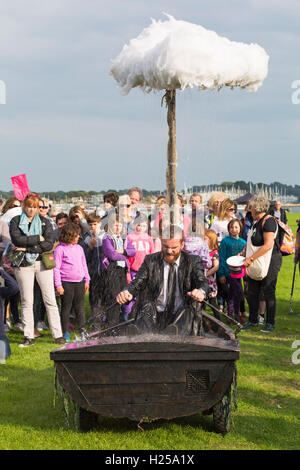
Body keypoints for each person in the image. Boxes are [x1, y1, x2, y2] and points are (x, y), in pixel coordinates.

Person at [116, 225, 209, 336]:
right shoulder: (150, 260)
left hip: (181, 317)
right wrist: (127, 292)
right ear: (161, 242)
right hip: (155, 316)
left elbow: (202, 281)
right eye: (165, 246)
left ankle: (173, 336)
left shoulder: (192, 261)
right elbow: (137, 282)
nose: (169, 251)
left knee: (187, 309)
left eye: (174, 247)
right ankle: (140, 336)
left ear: (182, 245)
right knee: (147, 306)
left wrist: (201, 291)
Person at [9, 193, 65, 347]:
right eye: (29, 207)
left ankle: (58, 335)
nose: (32, 210)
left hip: (42, 263)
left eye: (35, 207)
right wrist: (37, 239)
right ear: (24, 206)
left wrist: (28, 247)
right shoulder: (15, 221)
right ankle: (29, 336)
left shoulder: (45, 222)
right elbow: (16, 239)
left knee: (50, 300)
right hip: (23, 265)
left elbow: (48, 244)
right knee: (27, 300)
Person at [242, 195, 282, 333]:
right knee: (252, 292)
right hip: (256, 260)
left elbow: (268, 245)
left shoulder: (269, 222)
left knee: (268, 291)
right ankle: (252, 321)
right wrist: (244, 252)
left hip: (270, 261)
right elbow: (252, 241)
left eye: (251, 207)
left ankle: (270, 323)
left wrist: (251, 259)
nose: (249, 209)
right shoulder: (255, 222)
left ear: (257, 208)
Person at [54, 223, 90, 342]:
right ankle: (65, 332)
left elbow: (84, 264)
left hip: (79, 282)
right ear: (69, 236)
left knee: (79, 308)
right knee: (66, 308)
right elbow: (56, 268)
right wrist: (58, 285)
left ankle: (82, 331)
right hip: (66, 284)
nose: (78, 238)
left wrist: (87, 279)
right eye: (76, 236)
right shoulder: (59, 249)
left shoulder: (79, 248)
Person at [101, 213, 136, 327]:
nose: (118, 227)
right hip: (112, 269)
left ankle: (121, 322)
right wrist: (124, 256)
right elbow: (112, 254)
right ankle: (111, 324)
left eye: (120, 225)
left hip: (122, 270)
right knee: (113, 297)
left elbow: (132, 251)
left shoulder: (124, 238)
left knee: (123, 295)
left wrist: (124, 252)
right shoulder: (107, 238)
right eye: (115, 225)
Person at [124, 214, 154, 319]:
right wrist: (127, 272)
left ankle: (141, 318)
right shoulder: (129, 237)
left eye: (143, 226)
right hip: (133, 270)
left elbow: (152, 255)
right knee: (130, 294)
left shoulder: (149, 239)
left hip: (145, 272)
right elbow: (126, 257)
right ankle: (127, 317)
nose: (140, 228)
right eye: (138, 225)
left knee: (143, 295)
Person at [218, 219, 246, 323]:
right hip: (229, 272)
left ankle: (233, 314)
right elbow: (222, 257)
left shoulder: (243, 242)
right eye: (231, 227)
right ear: (228, 229)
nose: (233, 229)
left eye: (236, 227)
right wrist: (221, 273)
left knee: (234, 293)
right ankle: (233, 314)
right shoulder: (225, 241)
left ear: (240, 228)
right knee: (237, 292)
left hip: (240, 273)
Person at [83, 213, 105, 318]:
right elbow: (85, 258)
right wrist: (91, 247)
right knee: (94, 297)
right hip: (93, 272)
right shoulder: (87, 239)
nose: (93, 227)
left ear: (100, 224)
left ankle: (105, 319)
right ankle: (96, 320)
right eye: (90, 225)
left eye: (95, 224)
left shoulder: (105, 236)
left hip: (105, 272)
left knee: (105, 296)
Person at [0, 270, 19, 361]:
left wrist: (2, 272)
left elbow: (14, 287)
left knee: (4, 356)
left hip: (0, 335)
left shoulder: (1, 292)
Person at [203, 229, 220, 319]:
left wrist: (206, 274)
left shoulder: (214, 253)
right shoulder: (202, 251)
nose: (202, 240)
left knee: (212, 303)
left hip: (210, 283)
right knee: (200, 302)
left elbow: (216, 266)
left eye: (205, 238)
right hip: (201, 282)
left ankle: (218, 321)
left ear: (211, 240)